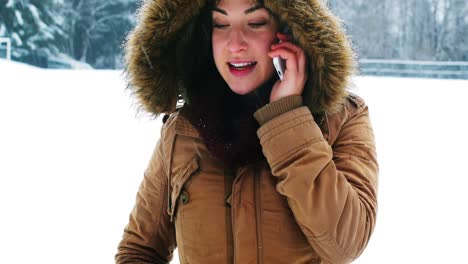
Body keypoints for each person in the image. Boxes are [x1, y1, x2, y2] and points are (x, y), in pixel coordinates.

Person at [115, 0, 378, 263]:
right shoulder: (182, 129)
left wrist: (286, 117)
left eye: (256, 23)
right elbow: (140, 250)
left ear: (291, 30)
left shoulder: (340, 119)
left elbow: (346, 243)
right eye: (221, 24)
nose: (235, 44)